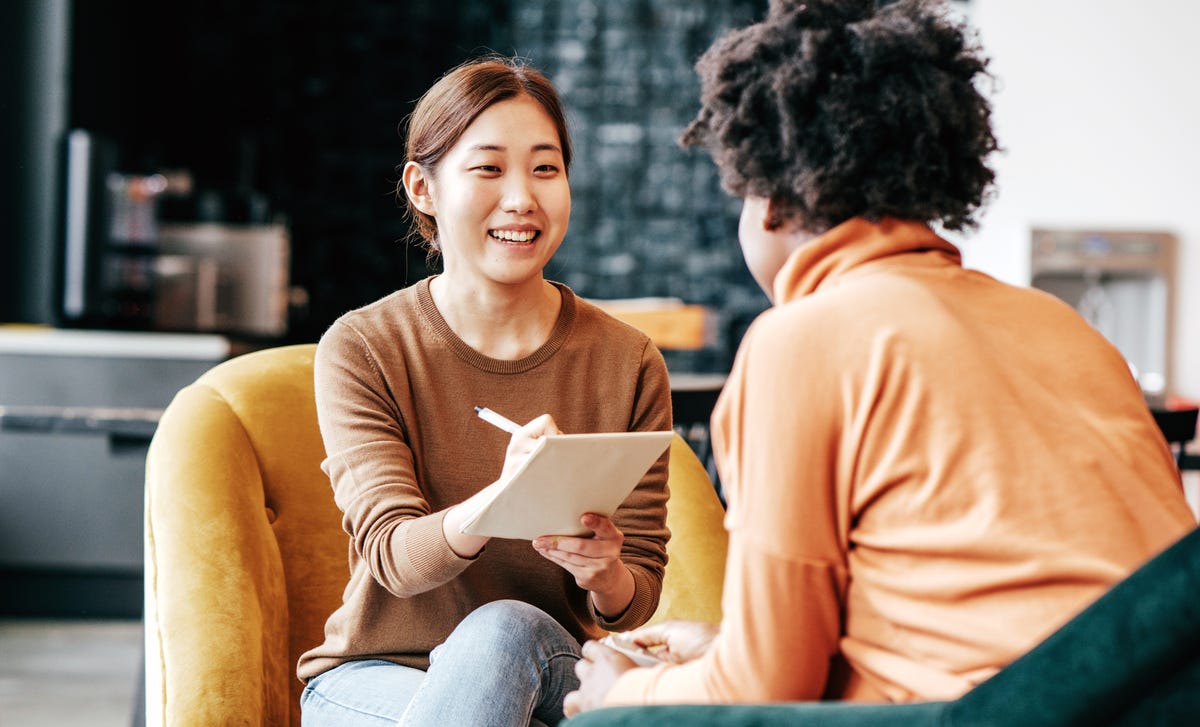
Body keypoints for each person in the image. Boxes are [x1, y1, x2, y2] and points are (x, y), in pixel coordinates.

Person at [565, 0, 1196, 714]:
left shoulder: (800, 340)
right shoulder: (1062, 323)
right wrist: (717, 645)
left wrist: (630, 689)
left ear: (770, 201)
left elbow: (769, 689)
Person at [296, 56, 673, 727]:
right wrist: (505, 499)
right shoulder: (363, 347)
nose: (523, 197)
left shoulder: (628, 361)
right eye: (489, 167)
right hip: (377, 680)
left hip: (548, 665)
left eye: (545, 168)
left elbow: (634, 596)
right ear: (422, 187)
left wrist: (605, 569)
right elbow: (392, 557)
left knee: (506, 632)